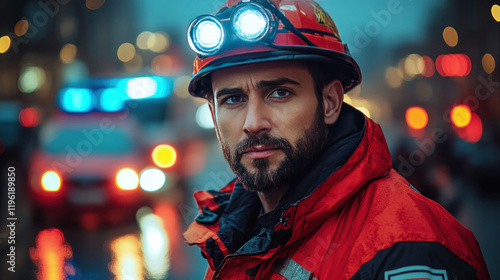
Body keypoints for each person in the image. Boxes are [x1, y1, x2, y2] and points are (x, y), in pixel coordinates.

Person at [182, 0, 490, 279]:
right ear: (212, 113)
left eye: (280, 93)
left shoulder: (408, 248)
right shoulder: (228, 240)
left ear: (330, 102)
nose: (253, 124)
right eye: (233, 99)